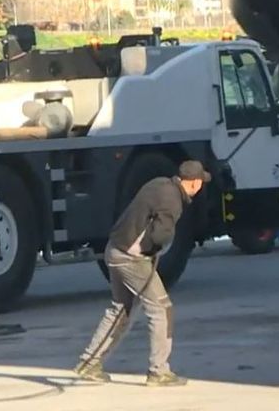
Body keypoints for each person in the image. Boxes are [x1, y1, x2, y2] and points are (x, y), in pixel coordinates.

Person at [74, 160, 211, 387]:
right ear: (195, 183)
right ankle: (159, 371)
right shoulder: (173, 201)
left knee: (121, 310)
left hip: (115, 249)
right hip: (132, 258)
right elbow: (160, 237)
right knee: (162, 309)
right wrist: (155, 248)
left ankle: (90, 363)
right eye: (201, 182)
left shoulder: (159, 184)